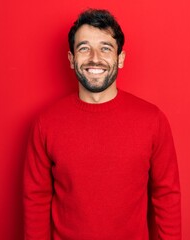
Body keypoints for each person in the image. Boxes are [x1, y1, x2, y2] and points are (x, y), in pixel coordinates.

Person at [23, 9, 181, 240]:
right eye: (84, 48)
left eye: (105, 48)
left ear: (120, 58)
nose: (94, 58)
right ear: (71, 59)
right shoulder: (46, 123)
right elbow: (35, 200)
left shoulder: (152, 120)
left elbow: (167, 196)